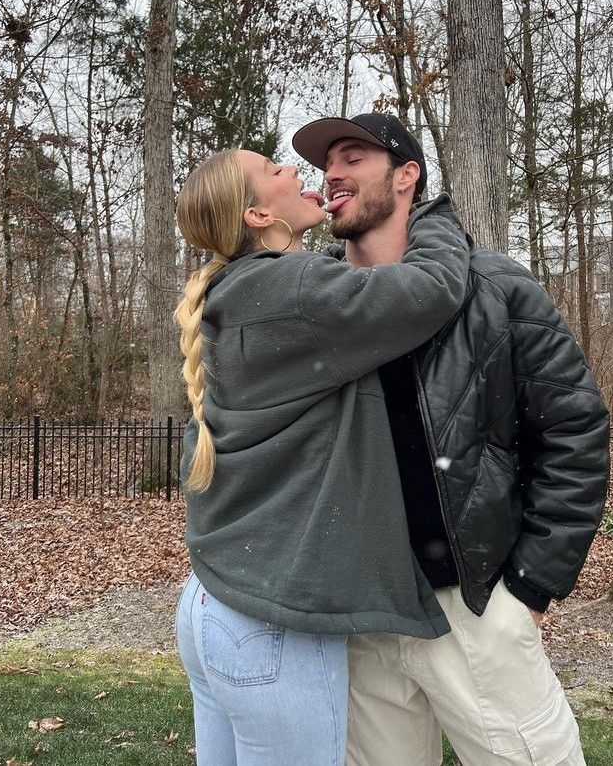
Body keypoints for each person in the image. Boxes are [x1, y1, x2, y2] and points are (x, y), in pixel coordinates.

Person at [292, 112, 610, 766]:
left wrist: (527, 588)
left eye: (354, 156)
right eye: (329, 162)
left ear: (406, 175)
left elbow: (575, 428)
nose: (333, 172)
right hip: (361, 620)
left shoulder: (494, 288)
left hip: (470, 609)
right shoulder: (314, 304)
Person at [172, 146, 471, 766]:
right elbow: (433, 288)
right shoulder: (292, 286)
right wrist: (432, 219)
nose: (297, 173)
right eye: (275, 171)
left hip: (213, 606)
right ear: (257, 214)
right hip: (273, 625)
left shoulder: (241, 292)